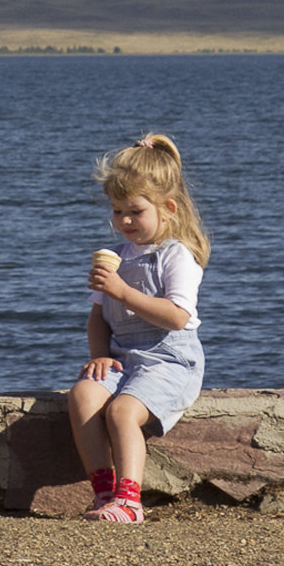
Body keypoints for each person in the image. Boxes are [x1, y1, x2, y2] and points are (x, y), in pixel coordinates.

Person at [67, 134, 210, 524]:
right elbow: (97, 316)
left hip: (169, 359)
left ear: (167, 209)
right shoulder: (117, 256)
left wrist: (124, 292)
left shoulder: (177, 255)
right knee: (82, 396)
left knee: (122, 412)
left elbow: (177, 316)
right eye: (116, 212)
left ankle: (130, 500)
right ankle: (103, 491)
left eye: (134, 211)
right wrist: (99, 354)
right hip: (124, 358)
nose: (124, 221)